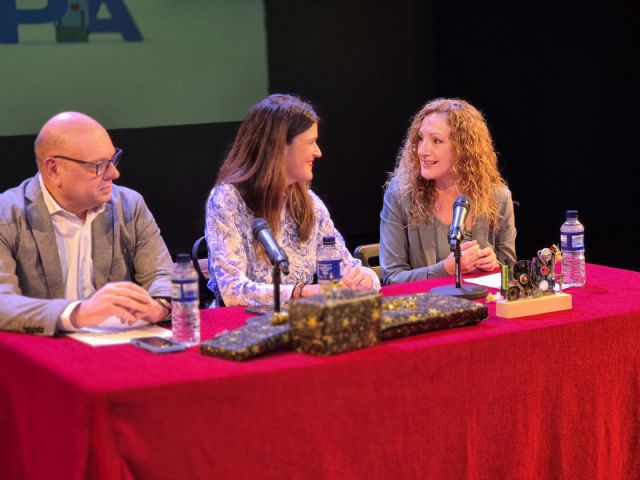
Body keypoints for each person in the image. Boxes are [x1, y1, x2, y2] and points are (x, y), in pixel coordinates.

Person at [0, 112, 173, 335]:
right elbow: (3, 304)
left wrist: (158, 307)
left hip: (117, 348)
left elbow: (164, 277)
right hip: (41, 353)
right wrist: (78, 313)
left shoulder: (129, 205)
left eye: (113, 160)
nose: (114, 173)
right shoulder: (7, 215)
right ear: (54, 169)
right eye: (99, 165)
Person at [205, 94, 380, 307]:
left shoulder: (311, 204)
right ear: (280, 147)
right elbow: (232, 290)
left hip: (301, 323)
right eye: (311, 142)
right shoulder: (226, 201)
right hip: (242, 329)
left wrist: (364, 278)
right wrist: (302, 292)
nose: (318, 152)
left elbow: (349, 267)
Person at [380, 98, 516, 285]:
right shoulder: (400, 194)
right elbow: (391, 278)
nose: (422, 150)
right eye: (420, 139)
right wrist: (444, 270)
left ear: (464, 149)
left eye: (436, 141)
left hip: (484, 309)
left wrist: (495, 265)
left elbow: (511, 272)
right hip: (426, 309)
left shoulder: (498, 197)